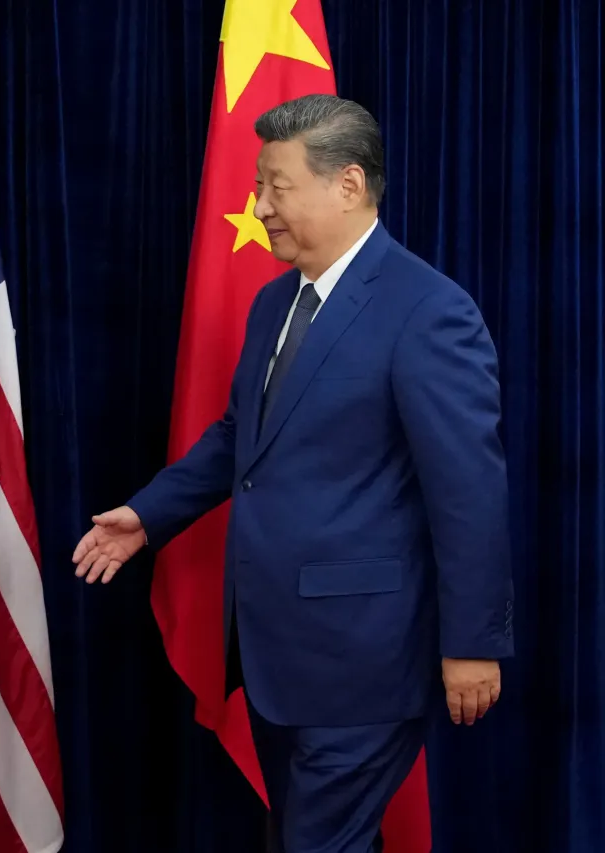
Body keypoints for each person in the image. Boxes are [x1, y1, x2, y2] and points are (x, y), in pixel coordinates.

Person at [72, 94, 513, 852]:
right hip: (278, 650)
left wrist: (474, 641)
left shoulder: (428, 310)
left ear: (347, 184)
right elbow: (245, 437)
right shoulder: (275, 301)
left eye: (277, 186)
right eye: (258, 186)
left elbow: (468, 492)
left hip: (365, 661)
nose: (260, 205)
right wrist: (150, 515)